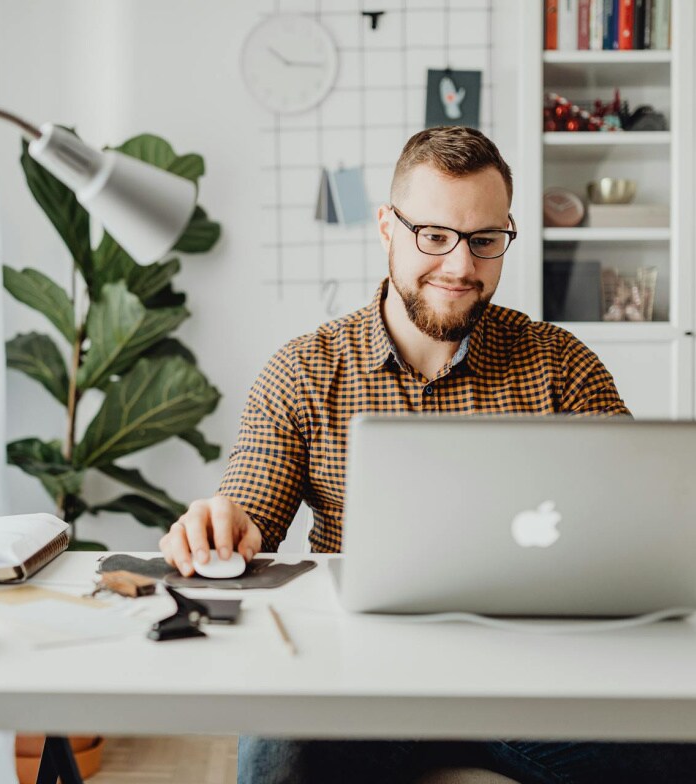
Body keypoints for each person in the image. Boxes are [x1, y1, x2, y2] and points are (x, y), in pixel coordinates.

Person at [158, 126, 696, 783]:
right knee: (283, 766)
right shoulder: (304, 369)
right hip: (360, 677)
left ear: (506, 236)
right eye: (434, 236)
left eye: (484, 241)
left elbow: (642, 520)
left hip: (539, 675)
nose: (461, 266)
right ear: (387, 226)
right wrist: (221, 524)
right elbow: (248, 513)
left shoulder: (562, 366)